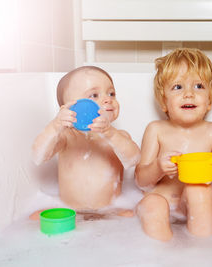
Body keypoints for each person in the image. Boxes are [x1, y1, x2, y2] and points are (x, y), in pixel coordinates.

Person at [135, 48, 212, 241]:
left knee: (199, 192)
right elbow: (141, 181)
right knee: (153, 204)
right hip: (161, 200)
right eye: (178, 87)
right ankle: (162, 256)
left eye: (198, 86)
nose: (189, 94)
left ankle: (200, 254)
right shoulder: (156, 129)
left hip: (195, 207)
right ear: (164, 101)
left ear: (210, 99)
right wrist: (158, 167)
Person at [32, 66, 140, 214]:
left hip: (110, 210)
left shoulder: (118, 136)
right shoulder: (65, 138)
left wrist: (110, 133)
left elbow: (133, 159)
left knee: (129, 215)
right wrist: (55, 125)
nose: (108, 99)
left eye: (111, 93)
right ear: (70, 108)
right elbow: (38, 156)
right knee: (35, 218)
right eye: (94, 95)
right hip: (70, 211)